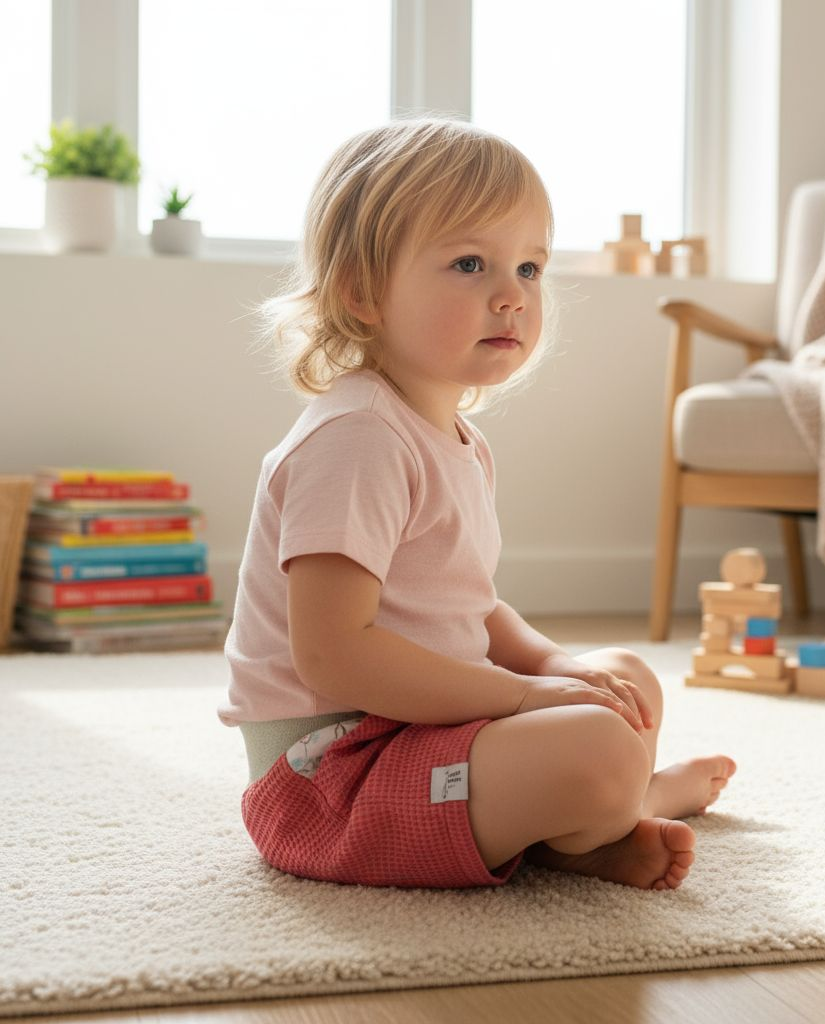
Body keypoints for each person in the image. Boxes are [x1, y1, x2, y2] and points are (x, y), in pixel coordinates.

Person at [220, 118, 736, 891]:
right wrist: (525, 694)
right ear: (362, 292)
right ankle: (622, 804)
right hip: (334, 776)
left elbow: (468, 606)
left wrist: (555, 665)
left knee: (626, 676)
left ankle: (600, 816)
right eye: (470, 263)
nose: (511, 296)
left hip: (424, 728)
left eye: (530, 268)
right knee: (596, 746)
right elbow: (334, 652)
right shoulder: (356, 438)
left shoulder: (451, 436)